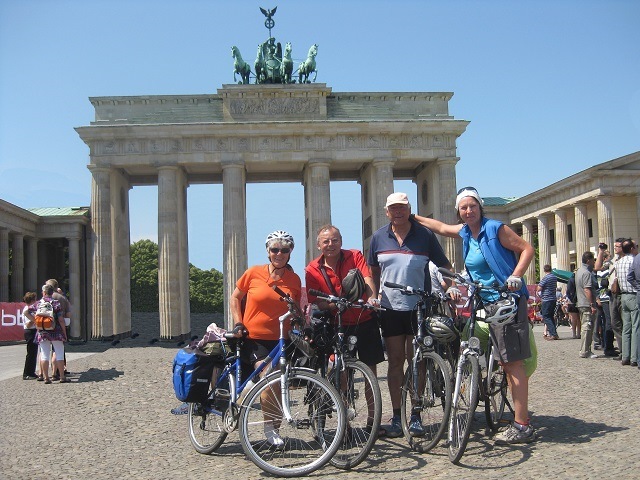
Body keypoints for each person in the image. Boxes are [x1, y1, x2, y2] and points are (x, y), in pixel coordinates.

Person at [412, 186, 536, 445]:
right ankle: (482, 380)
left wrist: (516, 276)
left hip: (506, 300)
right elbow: (441, 228)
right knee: (470, 341)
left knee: (512, 363)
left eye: (473, 206)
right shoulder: (466, 231)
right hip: (484, 301)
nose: (468, 211)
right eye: (464, 208)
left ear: (480, 207)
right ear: (459, 212)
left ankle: (522, 425)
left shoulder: (495, 229)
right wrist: (413, 217)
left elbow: (527, 249)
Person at [368, 192, 456, 438]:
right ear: (387, 212)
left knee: (417, 361)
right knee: (395, 362)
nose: (398, 212)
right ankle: (397, 415)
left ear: (409, 210)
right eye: (393, 208)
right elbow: (372, 271)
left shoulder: (425, 235)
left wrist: (452, 287)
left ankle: (415, 413)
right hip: (390, 308)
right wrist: (373, 294)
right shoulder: (378, 237)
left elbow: (444, 266)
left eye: (402, 208)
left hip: (420, 306)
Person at [305, 224, 385, 432]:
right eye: (326, 241)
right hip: (338, 323)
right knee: (341, 374)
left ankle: (372, 421)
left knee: (370, 373)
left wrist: (373, 298)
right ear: (318, 245)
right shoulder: (312, 269)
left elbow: (367, 278)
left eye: (335, 240)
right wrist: (335, 305)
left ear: (341, 240)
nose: (331, 245)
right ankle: (345, 425)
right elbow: (317, 302)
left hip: (364, 318)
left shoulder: (354, 255)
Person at [229, 230, 302, 447]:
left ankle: (274, 425)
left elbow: (296, 308)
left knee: (280, 383)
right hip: (255, 338)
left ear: (290, 252)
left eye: (284, 249)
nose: (279, 253)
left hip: (281, 339)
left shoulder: (295, 279)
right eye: (275, 249)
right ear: (268, 252)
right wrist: (238, 322)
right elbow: (235, 297)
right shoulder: (253, 273)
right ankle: (270, 429)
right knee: (270, 377)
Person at [26, 284, 68, 384]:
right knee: (59, 353)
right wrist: (64, 333)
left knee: (44, 354)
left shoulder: (38, 303)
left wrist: (35, 321)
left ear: (43, 292)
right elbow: (61, 320)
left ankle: (46, 378)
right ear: (52, 293)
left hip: (42, 331)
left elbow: (26, 312)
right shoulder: (56, 303)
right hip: (56, 331)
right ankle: (62, 377)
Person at [616, 239, 639, 366]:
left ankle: (625, 356)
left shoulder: (619, 262)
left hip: (623, 296)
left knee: (626, 327)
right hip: (633, 294)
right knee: (636, 327)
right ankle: (634, 357)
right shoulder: (633, 260)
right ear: (631, 248)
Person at [575, 251, 599, 359]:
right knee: (587, 327)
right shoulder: (586, 273)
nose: (594, 262)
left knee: (586, 326)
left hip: (581, 302)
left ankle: (586, 349)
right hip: (586, 303)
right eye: (593, 260)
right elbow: (587, 289)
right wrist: (592, 304)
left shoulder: (579, 271)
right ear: (588, 260)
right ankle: (585, 350)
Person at [46, 278, 71, 378]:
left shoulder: (44, 299)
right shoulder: (61, 298)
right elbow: (68, 314)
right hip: (58, 327)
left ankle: (43, 374)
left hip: (45, 327)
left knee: (43, 352)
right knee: (58, 351)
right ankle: (58, 372)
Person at [626, 245, 640, 370]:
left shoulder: (636, 259)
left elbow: (629, 277)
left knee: (637, 327)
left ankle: (638, 359)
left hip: (638, 294)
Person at [537, 265, 559, 340]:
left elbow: (539, 288)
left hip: (547, 299)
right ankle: (554, 333)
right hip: (553, 298)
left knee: (546, 317)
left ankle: (553, 334)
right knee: (551, 316)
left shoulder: (546, 278)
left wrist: (538, 290)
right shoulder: (554, 277)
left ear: (544, 270)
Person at [21, 292, 39, 380]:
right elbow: (28, 324)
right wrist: (35, 319)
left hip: (34, 331)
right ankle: (27, 373)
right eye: (35, 299)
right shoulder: (27, 310)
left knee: (34, 353)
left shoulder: (31, 309)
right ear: (32, 300)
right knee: (30, 353)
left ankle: (32, 372)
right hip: (30, 331)